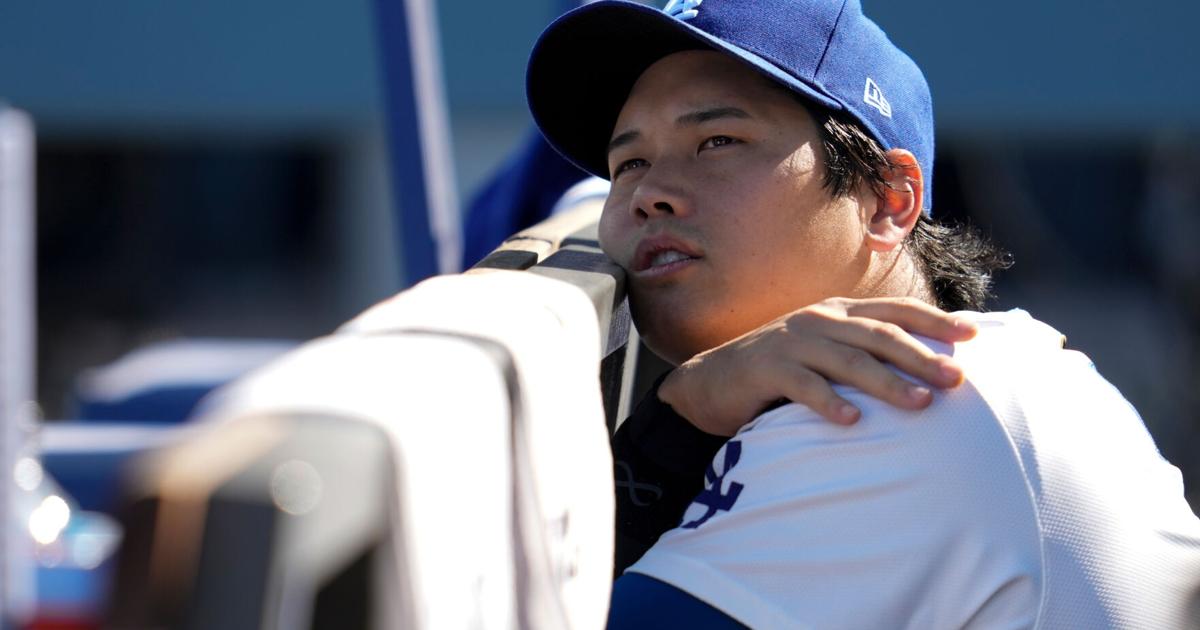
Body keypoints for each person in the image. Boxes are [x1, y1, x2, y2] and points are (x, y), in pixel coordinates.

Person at [525, 0, 1200, 627]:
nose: (650, 195)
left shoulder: (912, 400)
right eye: (629, 162)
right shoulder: (975, 372)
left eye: (718, 142)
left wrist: (668, 431)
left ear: (888, 199)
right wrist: (684, 413)